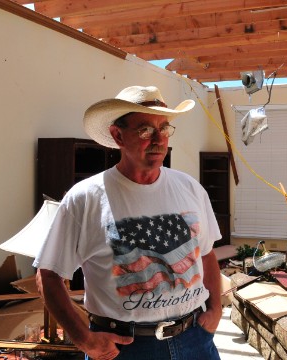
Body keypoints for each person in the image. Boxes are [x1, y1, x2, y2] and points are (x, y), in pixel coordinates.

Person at [34, 85, 223, 360]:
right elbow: (48, 275)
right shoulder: (85, 198)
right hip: (124, 348)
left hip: (194, 339)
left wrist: (215, 309)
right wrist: (84, 339)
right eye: (145, 129)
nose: (159, 139)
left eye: (165, 128)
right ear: (117, 135)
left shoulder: (190, 188)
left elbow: (206, 255)